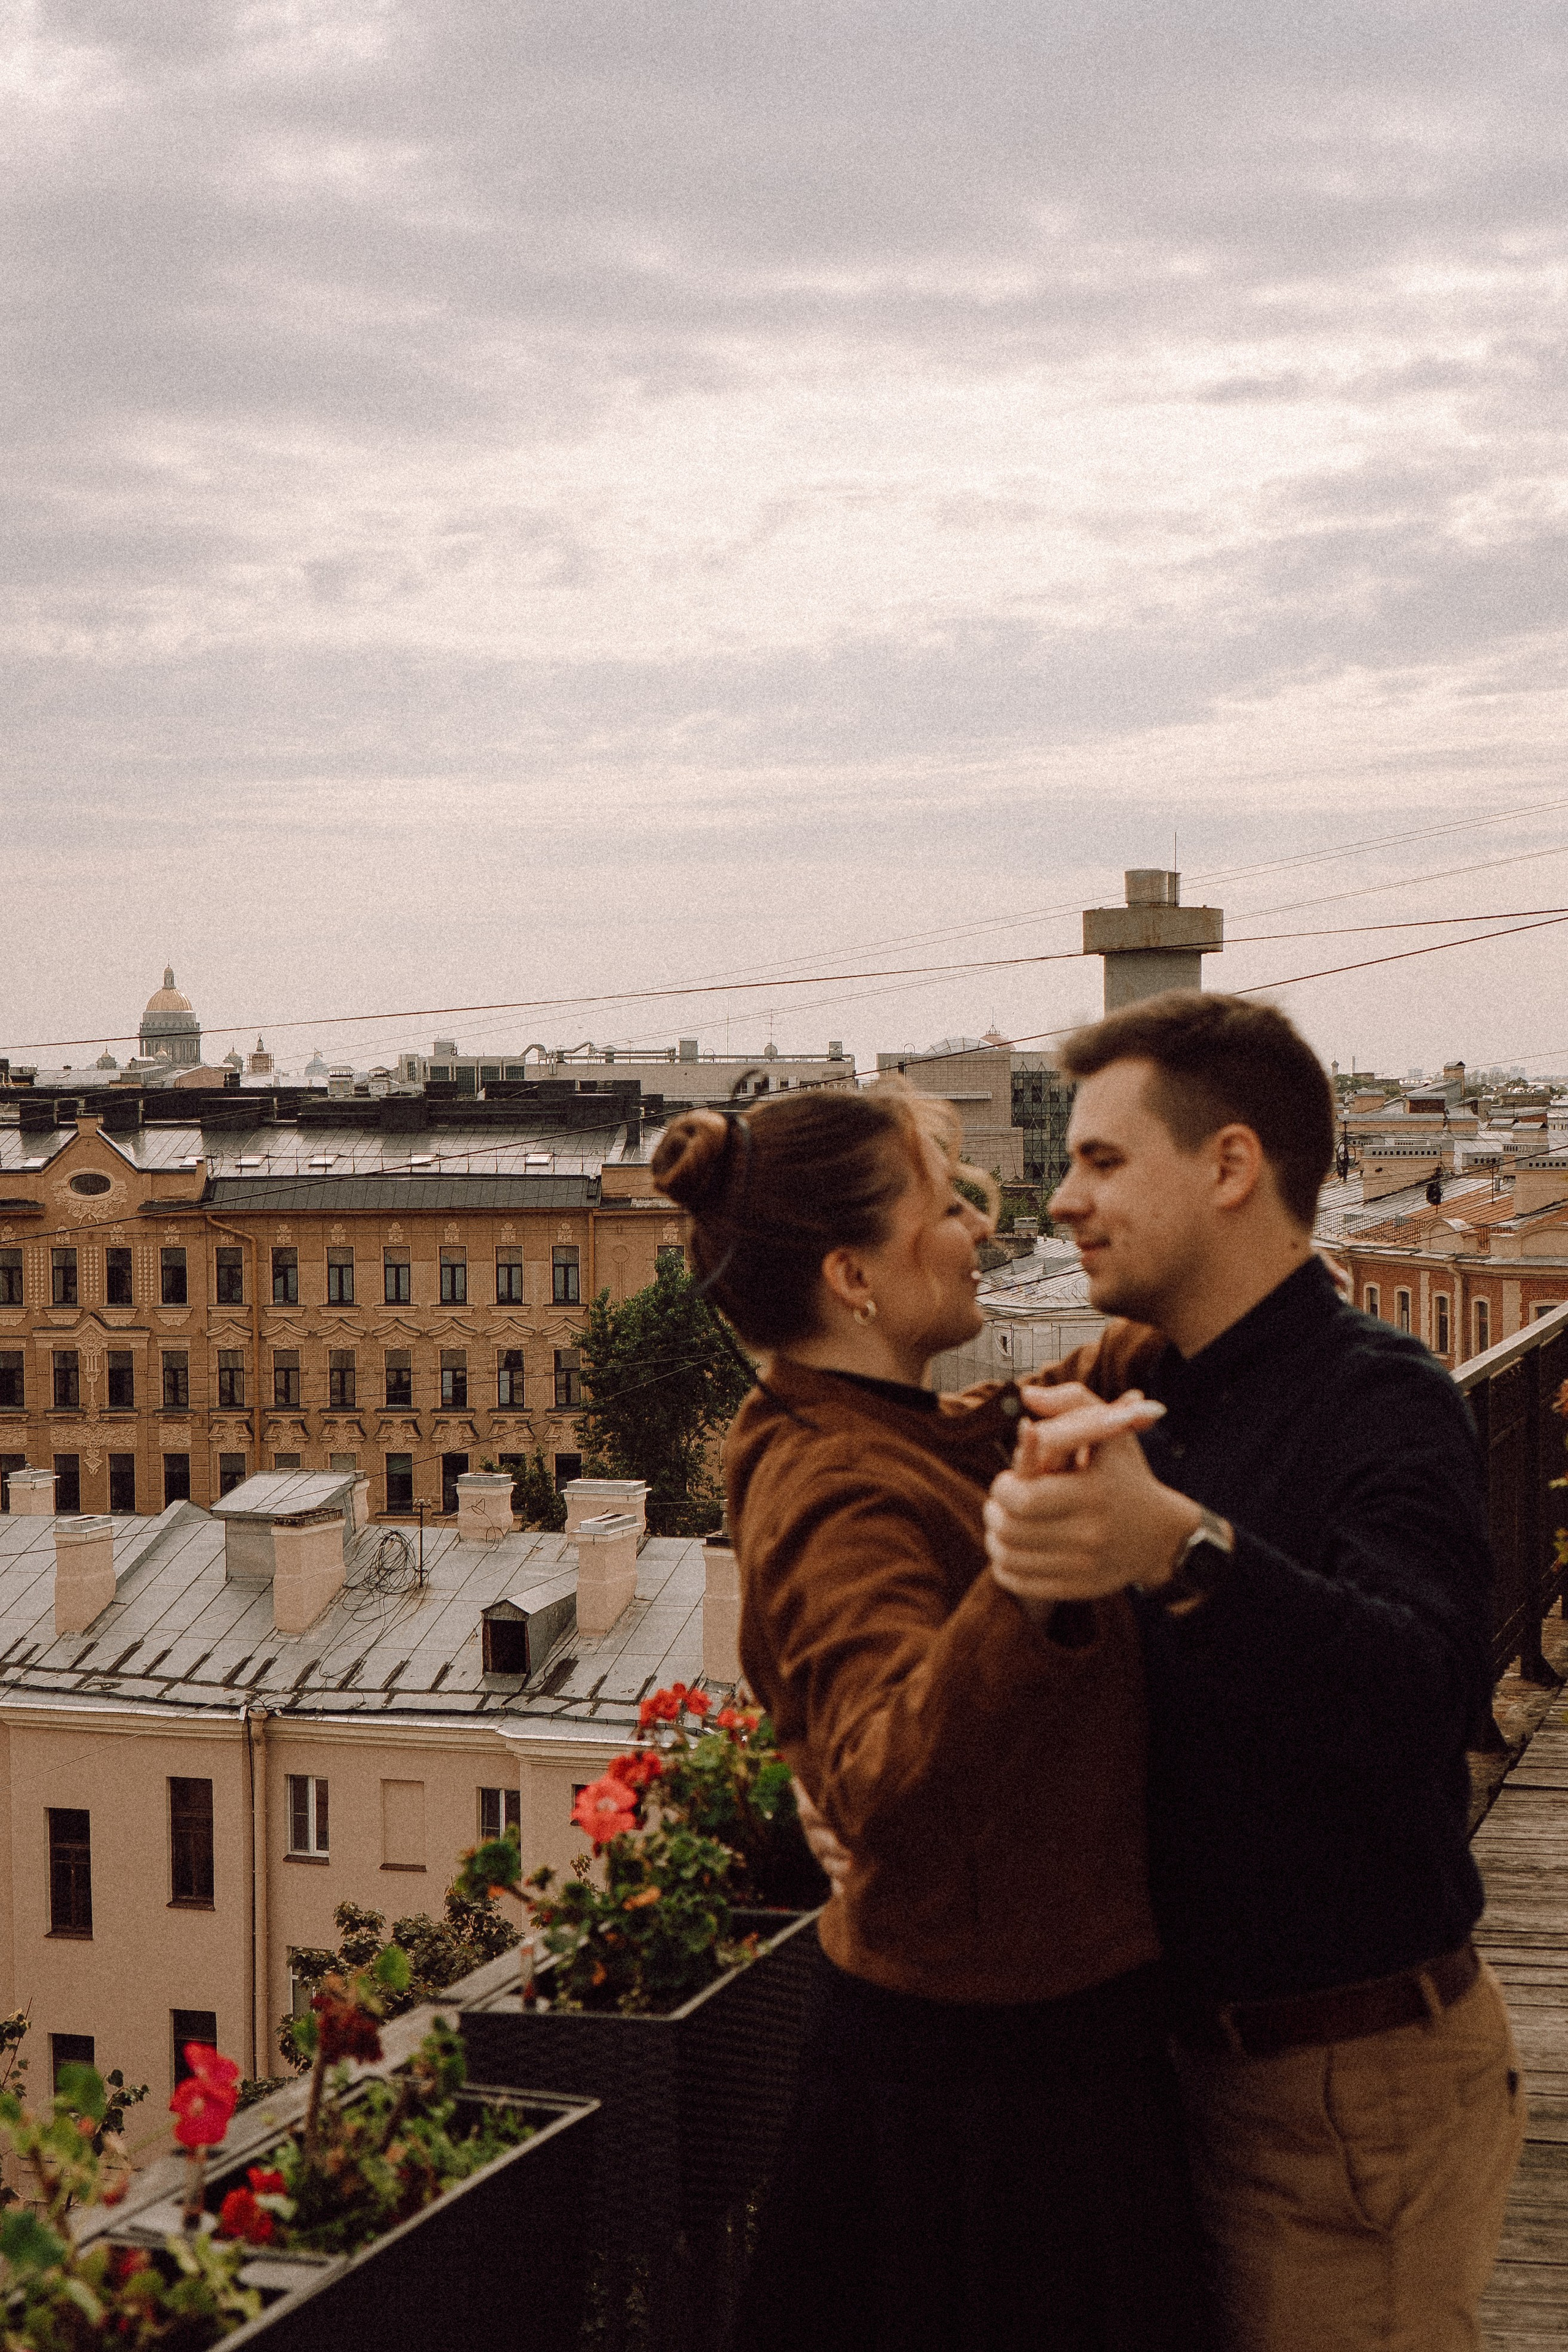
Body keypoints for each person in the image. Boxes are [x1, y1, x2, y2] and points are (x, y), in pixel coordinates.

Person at [975, 992, 1525, 2352]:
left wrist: (1176, 1546)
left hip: (1342, 2097)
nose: (1058, 1205)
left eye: (1100, 1161)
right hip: (1196, 2077)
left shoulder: (1377, 1395)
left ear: (1227, 1167)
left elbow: (1422, 1690)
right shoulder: (1170, 1392)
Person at [650, 1083, 1211, 2352]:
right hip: (988, 2112)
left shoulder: (857, 1427)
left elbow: (963, 1440)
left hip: (988, 2073)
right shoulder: (832, 1485)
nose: (975, 1225)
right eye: (945, 1204)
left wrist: (1164, 1332)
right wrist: (1038, 1573)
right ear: (853, 1274)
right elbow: (880, 1777)